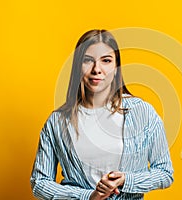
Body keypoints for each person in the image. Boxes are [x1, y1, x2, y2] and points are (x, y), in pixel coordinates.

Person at [30, 29, 174, 200]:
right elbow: (39, 182)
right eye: (88, 60)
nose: (96, 69)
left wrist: (126, 180)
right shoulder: (57, 122)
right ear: (78, 67)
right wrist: (88, 196)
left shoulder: (142, 112)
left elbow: (165, 173)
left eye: (106, 60)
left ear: (116, 67)